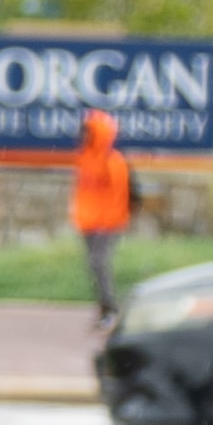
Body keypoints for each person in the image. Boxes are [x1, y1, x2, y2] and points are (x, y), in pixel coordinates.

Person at [72, 106, 134, 322]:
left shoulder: (113, 161)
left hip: (107, 222)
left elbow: (119, 196)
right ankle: (103, 307)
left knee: (99, 262)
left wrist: (110, 220)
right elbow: (82, 190)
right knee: (92, 265)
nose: (84, 135)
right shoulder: (85, 158)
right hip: (88, 221)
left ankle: (110, 307)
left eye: (89, 131)